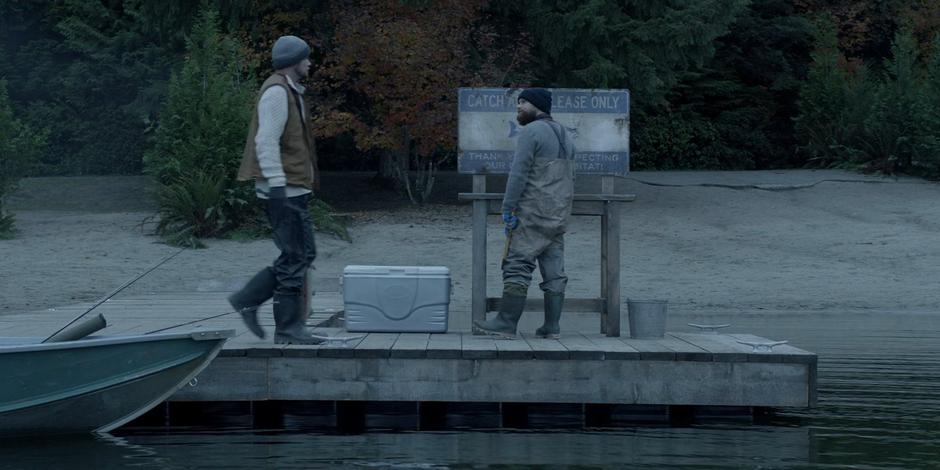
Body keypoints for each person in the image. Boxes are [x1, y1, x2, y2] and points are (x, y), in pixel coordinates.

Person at [228, 35, 323, 345]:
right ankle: (287, 329)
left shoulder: (290, 90)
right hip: (282, 190)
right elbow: (265, 141)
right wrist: (278, 185)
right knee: (296, 256)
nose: (310, 62)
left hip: (292, 189)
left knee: (302, 253)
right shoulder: (277, 93)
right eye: (306, 58)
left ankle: (248, 299)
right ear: (294, 62)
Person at [473, 88, 576, 339]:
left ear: (537, 105)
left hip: (532, 212)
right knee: (554, 269)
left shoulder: (531, 132)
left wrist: (508, 209)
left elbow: (518, 174)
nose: (518, 107)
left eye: (523, 102)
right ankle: (552, 327)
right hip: (558, 214)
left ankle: (506, 324)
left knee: (517, 264)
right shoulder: (566, 135)